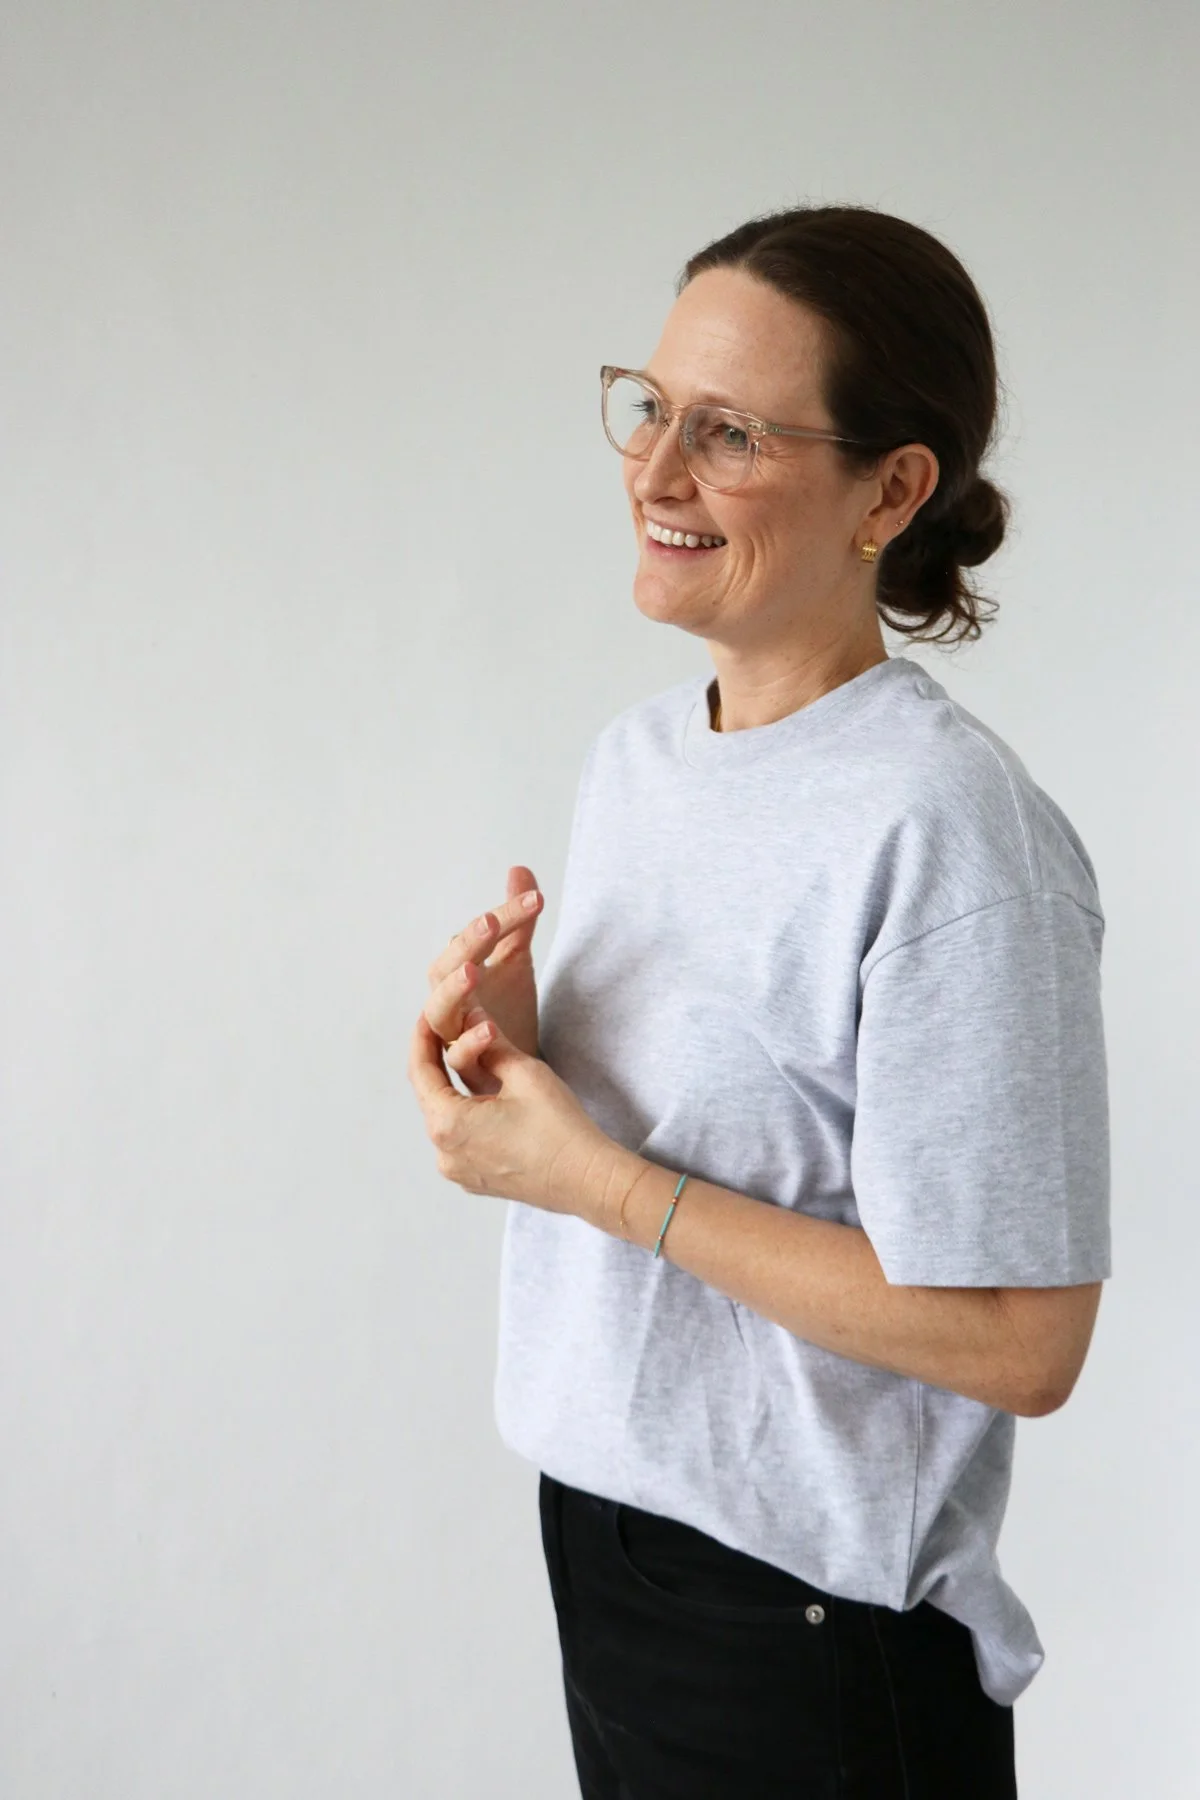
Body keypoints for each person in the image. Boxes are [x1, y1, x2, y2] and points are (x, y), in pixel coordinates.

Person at [409, 202, 1111, 1799]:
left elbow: (1025, 1342)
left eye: (728, 433)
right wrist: (514, 1054)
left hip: (808, 1643)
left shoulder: (953, 833)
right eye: (651, 407)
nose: (655, 473)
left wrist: (598, 1182)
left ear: (893, 491)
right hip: (614, 1560)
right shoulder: (642, 761)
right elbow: (710, 1138)